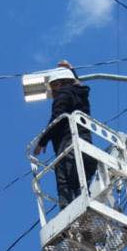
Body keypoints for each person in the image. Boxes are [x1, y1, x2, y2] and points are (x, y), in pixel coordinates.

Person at [34, 60, 98, 210]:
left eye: (53, 86)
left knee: (66, 187)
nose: (52, 91)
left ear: (59, 83)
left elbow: (57, 118)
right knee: (81, 188)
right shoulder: (80, 96)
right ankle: (83, 217)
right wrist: (72, 70)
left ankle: (69, 216)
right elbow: (78, 85)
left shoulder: (63, 95)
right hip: (85, 147)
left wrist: (42, 141)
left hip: (68, 147)